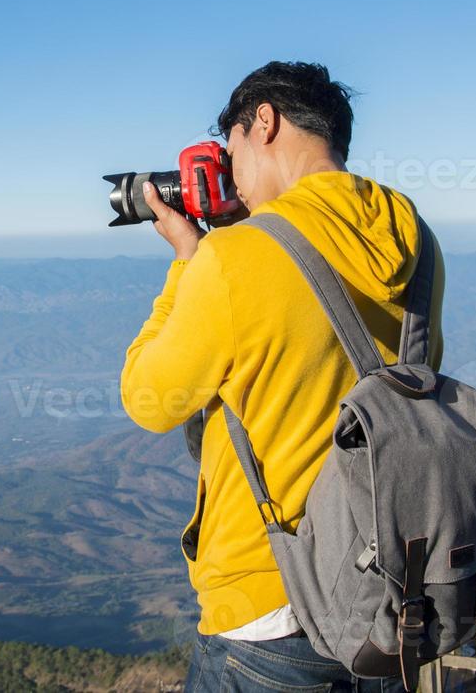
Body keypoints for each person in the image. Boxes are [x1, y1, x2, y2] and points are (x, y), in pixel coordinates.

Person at [120, 62, 445, 693]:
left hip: (271, 610)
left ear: (264, 121)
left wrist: (189, 261)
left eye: (232, 146)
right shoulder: (415, 237)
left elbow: (149, 399)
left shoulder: (235, 257)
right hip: (383, 600)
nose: (230, 168)